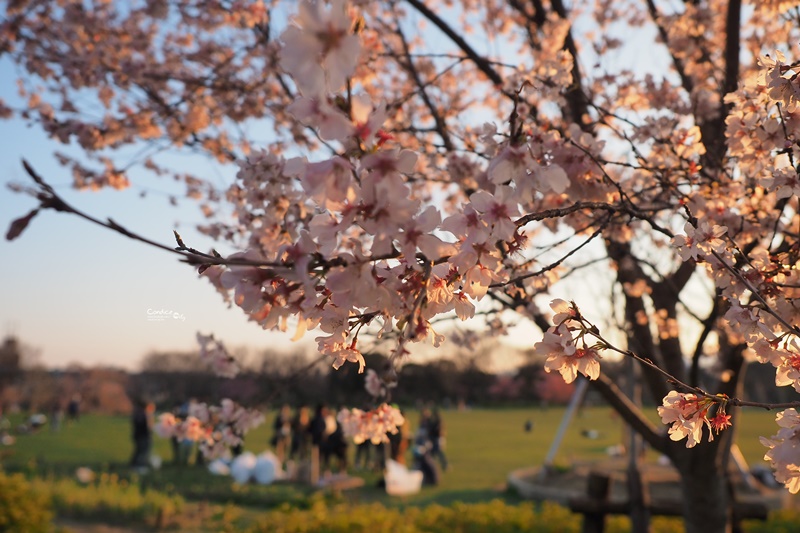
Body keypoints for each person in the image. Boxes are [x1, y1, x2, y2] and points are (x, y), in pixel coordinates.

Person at [130, 399, 153, 470]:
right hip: (143, 436)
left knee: (139, 450)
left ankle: (134, 465)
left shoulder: (138, 413)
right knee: (142, 451)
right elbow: (147, 426)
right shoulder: (143, 414)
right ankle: (140, 466)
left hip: (138, 435)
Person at [426, 407, 448, 471]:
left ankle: (445, 465)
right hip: (436, 438)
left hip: (438, 439)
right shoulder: (436, 420)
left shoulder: (438, 421)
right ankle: (432, 466)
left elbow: (437, 430)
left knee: (438, 452)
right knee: (433, 453)